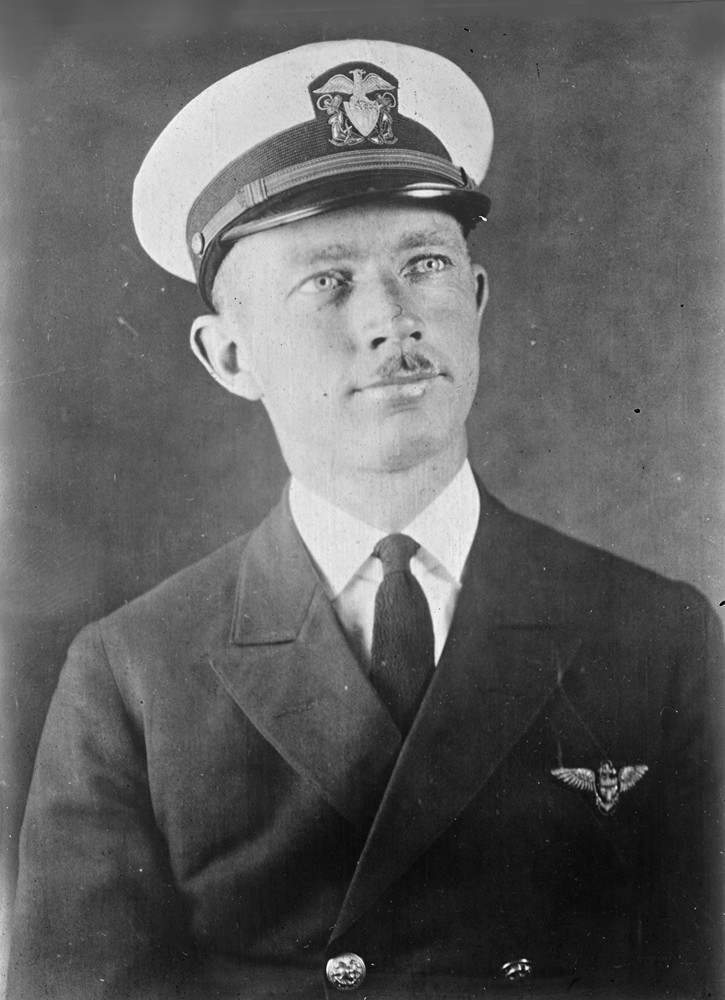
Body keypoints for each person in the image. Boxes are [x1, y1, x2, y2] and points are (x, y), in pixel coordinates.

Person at [6, 38, 723, 1000]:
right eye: (326, 281)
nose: (393, 318)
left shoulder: (657, 635)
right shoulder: (132, 675)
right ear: (229, 356)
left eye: (424, 264)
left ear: (475, 300)